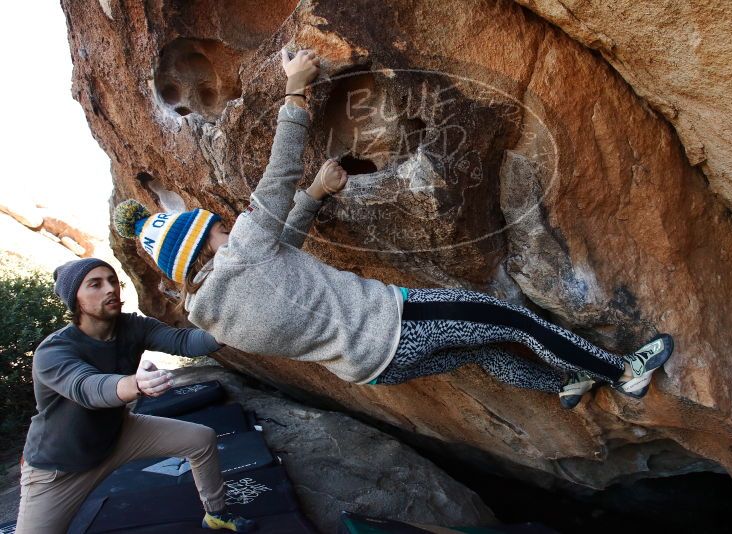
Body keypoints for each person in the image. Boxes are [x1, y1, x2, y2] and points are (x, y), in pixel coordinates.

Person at [113, 48, 673, 413]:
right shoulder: (241, 256)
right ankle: (619, 370)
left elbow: (279, 249)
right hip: (395, 326)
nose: (227, 228)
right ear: (204, 242)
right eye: (215, 228)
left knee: (481, 351)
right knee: (506, 317)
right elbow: (277, 177)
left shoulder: (220, 312)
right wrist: (295, 90)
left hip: (372, 369)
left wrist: (317, 194)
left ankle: (563, 384)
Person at [16, 258, 256, 533]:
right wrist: (136, 385)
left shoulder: (132, 326)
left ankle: (217, 514)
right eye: (95, 284)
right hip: (61, 466)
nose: (110, 289)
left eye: (112, 280)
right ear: (75, 299)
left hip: (118, 434)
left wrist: (229, 330)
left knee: (200, 439)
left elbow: (183, 341)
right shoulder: (54, 351)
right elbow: (87, 388)